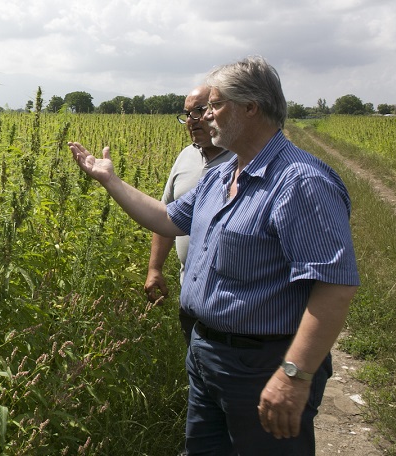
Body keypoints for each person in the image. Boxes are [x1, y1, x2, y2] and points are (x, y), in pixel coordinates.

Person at [68, 56, 359, 455]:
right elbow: (167, 219)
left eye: (214, 105)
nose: (204, 116)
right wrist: (110, 181)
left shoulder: (301, 182)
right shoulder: (224, 175)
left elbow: (334, 288)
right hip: (207, 356)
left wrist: (294, 375)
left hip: (262, 362)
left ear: (250, 108)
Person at [144, 85, 235, 345]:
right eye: (187, 114)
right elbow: (166, 215)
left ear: (219, 110)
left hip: (232, 305)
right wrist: (155, 268)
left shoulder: (242, 159)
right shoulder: (186, 156)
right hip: (191, 294)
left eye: (199, 110)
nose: (192, 121)